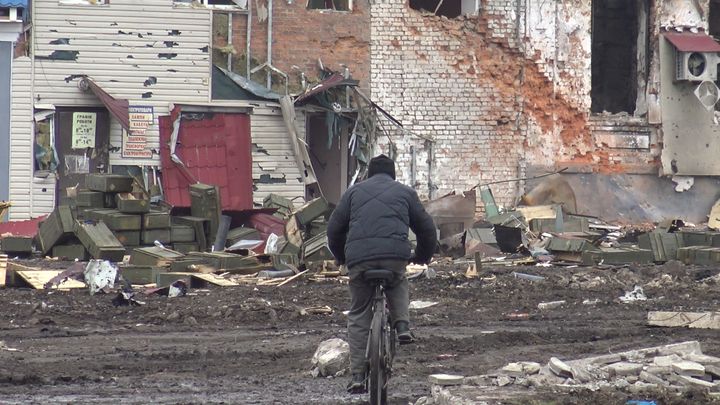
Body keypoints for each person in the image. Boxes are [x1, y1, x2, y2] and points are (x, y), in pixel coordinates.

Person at [327, 154, 437, 394]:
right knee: (398, 281)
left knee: (358, 312)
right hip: (394, 257)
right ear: (393, 174)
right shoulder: (406, 193)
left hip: (359, 260)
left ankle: (357, 375)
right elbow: (427, 230)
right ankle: (403, 326)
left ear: (369, 173)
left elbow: (333, 230)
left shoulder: (353, 193)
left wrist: (342, 258)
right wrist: (422, 256)